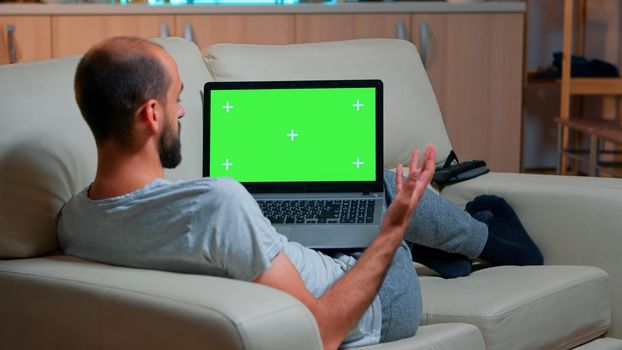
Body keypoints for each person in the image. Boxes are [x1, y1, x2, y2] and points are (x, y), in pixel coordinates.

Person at [57, 37, 542, 349]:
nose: (183, 112)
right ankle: (493, 242)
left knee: (349, 196)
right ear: (152, 115)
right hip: (375, 304)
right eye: (177, 98)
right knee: (385, 184)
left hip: (295, 262)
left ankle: (445, 248)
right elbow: (322, 332)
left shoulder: (75, 220)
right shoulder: (218, 203)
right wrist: (391, 233)